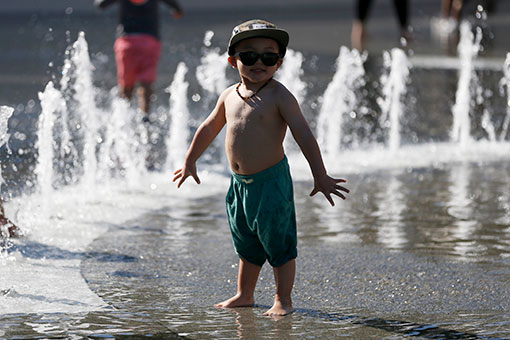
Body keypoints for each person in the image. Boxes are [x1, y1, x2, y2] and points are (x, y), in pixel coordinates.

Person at [173, 19, 349, 316]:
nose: (259, 62)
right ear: (232, 61)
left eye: (268, 56)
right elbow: (208, 127)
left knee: (279, 243)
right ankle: (245, 293)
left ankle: (283, 299)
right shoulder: (229, 95)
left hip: (271, 183)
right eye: (249, 55)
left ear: (279, 63)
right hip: (239, 185)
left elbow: (304, 135)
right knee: (246, 242)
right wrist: (190, 160)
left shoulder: (280, 96)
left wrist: (320, 175)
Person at [95, 0, 183, 116]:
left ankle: (122, 119)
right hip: (149, 42)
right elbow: (176, 8)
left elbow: (101, 4)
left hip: (127, 43)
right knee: (146, 83)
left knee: (126, 85)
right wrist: (177, 11)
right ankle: (145, 118)